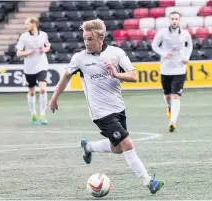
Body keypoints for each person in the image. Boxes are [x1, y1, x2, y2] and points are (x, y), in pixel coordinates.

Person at [49, 19, 164, 194]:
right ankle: (148, 181)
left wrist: (115, 74)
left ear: (100, 38)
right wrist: (55, 97)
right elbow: (65, 77)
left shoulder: (116, 53)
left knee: (117, 148)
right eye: (84, 39)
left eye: (89, 39)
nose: (86, 43)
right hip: (100, 113)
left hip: (118, 108)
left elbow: (134, 76)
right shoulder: (79, 58)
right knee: (126, 143)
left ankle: (88, 147)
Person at [152, 11, 193, 132]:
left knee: (176, 96)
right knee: (168, 96)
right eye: (172, 19)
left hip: (180, 68)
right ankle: (169, 107)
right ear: (169, 20)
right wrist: (164, 54)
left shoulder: (185, 33)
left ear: (179, 21)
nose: (174, 21)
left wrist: (187, 57)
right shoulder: (162, 33)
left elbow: (190, 46)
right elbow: (154, 46)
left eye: (176, 19)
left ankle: (172, 122)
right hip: (165, 68)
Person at [16, 16, 51, 125]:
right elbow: (19, 53)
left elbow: (48, 45)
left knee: (42, 89)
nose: (25, 26)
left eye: (27, 24)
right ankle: (33, 114)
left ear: (34, 24)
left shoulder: (43, 35)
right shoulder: (24, 37)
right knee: (31, 92)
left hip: (42, 65)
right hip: (29, 68)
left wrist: (44, 50)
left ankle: (43, 114)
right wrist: (29, 52)